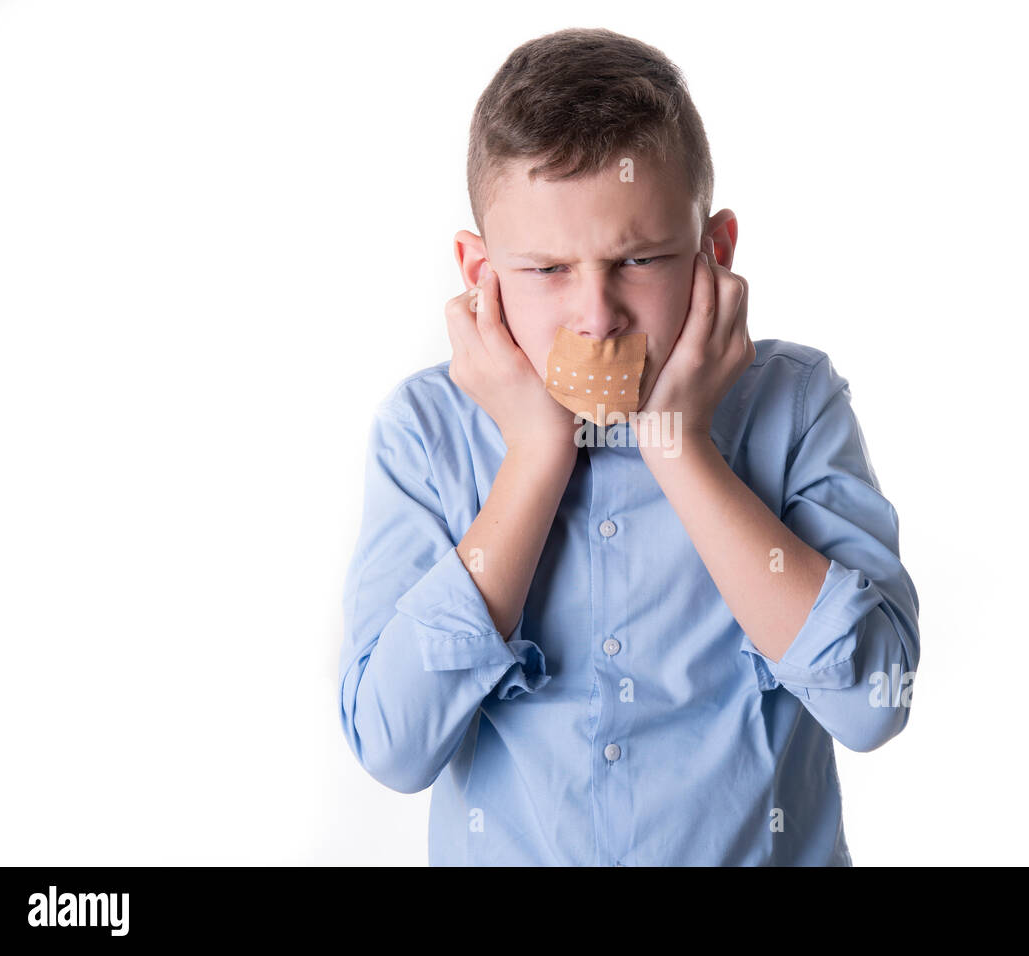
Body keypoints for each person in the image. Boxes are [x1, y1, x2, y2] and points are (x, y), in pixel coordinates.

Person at [337, 26, 920, 866]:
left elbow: (871, 703)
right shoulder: (425, 433)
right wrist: (536, 458)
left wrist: (680, 449)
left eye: (640, 258)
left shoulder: (795, 404)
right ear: (479, 271)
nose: (597, 315)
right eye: (545, 270)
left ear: (713, 254)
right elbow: (394, 747)